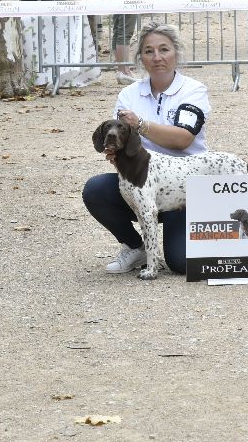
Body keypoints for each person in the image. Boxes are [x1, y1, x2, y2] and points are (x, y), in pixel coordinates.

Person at [83, 22, 212, 275]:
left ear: (176, 52)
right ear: (140, 57)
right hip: (140, 184)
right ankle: (135, 247)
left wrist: (140, 125)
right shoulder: (129, 95)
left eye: (164, 49)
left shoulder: (193, 90)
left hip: (185, 192)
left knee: (182, 263)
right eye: (148, 51)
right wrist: (112, 151)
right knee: (96, 189)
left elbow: (183, 139)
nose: (157, 57)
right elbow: (118, 143)